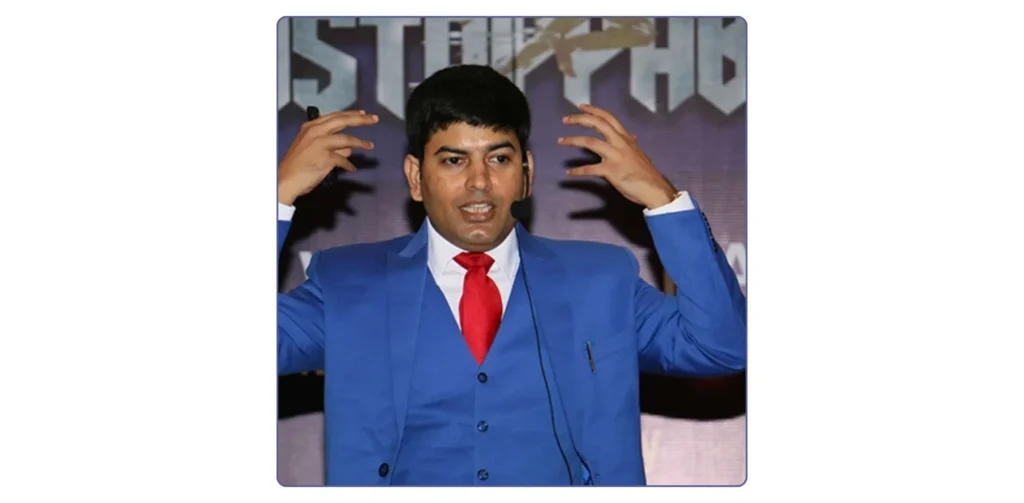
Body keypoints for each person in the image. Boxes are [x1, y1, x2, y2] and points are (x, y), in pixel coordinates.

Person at [276, 64, 746, 486]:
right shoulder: (347, 283)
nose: (479, 182)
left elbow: (721, 348)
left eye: (499, 159)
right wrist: (277, 195)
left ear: (526, 173)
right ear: (416, 178)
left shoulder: (601, 281)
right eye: (454, 160)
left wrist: (662, 200)